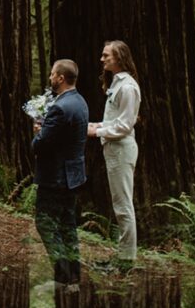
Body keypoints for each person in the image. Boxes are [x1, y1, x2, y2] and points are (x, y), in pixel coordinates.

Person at [32, 60, 89, 285]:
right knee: (68, 224)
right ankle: (74, 274)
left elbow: (41, 145)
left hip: (55, 177)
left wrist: (38, 132)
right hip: (74, 175)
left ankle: (62, 275)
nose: (50, 78)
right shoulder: (80, 101)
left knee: (45, 223)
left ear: (61, 78)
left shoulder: (59, 107)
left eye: (53, 74)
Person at [87, 39, 141, 263]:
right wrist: (96, 125)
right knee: (119, 203)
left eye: (106, 55)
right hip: (113, 149)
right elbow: (114, 120)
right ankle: (123, 255)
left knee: (123, 205)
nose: (102, 59)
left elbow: (125, 125)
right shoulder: (117, 84)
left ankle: (127, 259)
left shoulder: (127, 87)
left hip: (121, 150)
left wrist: (96, 133)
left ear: (119, 57)